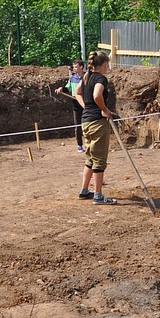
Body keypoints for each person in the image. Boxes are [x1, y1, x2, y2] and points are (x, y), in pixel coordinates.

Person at [74, 51, 117, 205]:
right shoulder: (100, 78)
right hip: (97, 123)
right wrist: (104, 109)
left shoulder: (86, 77)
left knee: (90, 159)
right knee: (99, 160)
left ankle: (84, 190)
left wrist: (86, 107)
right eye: (108, 65)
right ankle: (98, 196)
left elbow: (77, 92)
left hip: (85, 121)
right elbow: (97, 95)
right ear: (104, 64)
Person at [53, 59, 85, 152]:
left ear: (81, 67)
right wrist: (61, 89)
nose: (74, 68)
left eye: (76, 66)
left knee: (88, 124)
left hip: (86, 103)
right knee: (77, 125)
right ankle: (80, 145)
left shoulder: (87, 77)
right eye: (73, 67)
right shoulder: (72, 78)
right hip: (76, 103)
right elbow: (68, 88)